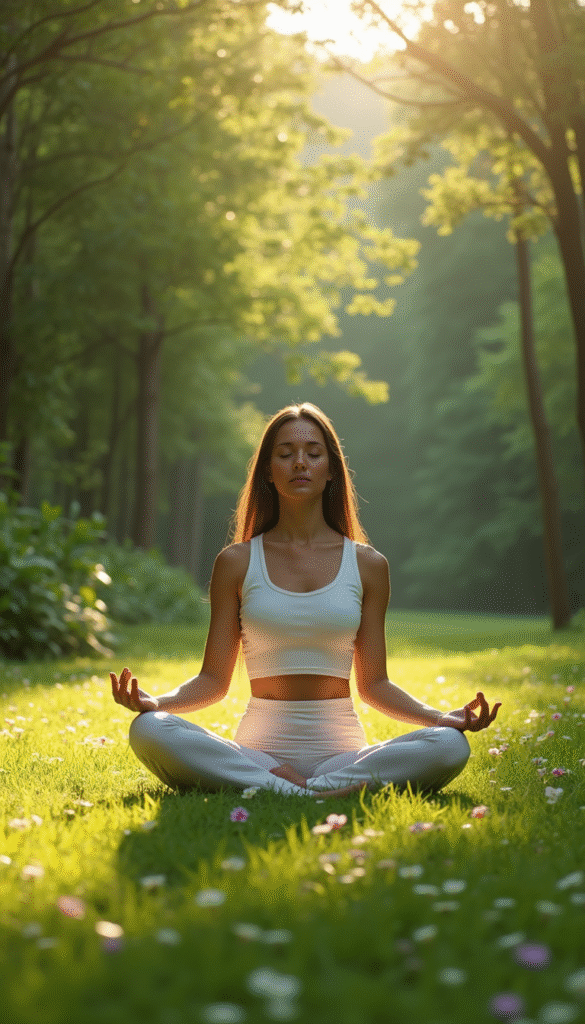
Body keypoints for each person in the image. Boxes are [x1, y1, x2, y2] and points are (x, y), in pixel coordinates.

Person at [111, 403, 501, 798]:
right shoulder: (236, 562)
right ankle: (307, 790)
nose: (300, 463)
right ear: (268, 469)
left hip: (342, 756)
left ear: (331, 470)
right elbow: (212, 681)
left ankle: (285, 791)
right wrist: (155, 702)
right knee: (148, 728)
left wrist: (440, 719)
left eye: (313, 454)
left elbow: (375, 684)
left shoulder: (368, 565)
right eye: (285, 454)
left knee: (451, 744)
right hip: (258, 755)